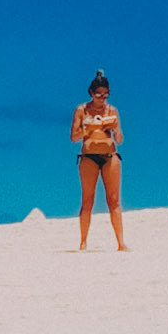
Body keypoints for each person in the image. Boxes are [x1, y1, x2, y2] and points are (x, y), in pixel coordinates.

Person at [71, 71, 126, 251]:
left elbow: (119, 139)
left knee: (114, 201)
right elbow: (73, 137)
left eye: (105, 95)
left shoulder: (112, 111)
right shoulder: (82, 110)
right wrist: (88, 129)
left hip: (110, 156)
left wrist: (114, 128)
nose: (102, 99)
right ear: (91, 93)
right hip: (89, 157)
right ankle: (83, 241)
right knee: (88, 200)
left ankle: (121, 243)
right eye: (98, 95)